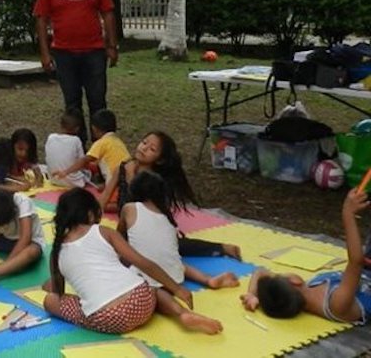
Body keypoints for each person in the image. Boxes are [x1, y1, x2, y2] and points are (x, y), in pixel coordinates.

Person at [43, 189, 223, 335]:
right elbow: (144, 263)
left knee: (50, 300)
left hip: (108, 317)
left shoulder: (57, 250)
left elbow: (59, 293)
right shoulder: (104, 232)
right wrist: (177, 289)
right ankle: (182, 314)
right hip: (143, 301)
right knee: (147, 282)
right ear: (91, 213)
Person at [99, 131, 242, 260]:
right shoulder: (123, 167)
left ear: (159, 160)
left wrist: (130, 177)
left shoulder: (154, 180)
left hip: (147, 228)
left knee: (169, 247)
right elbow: (104, 198)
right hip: (125, 227)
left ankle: (222, 248)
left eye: (152, 149)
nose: (144, 148)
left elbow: (138, 209)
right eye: (144, 142)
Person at [241, 189, 371, 324]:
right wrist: (348, 213)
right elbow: (356, 261)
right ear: (294, 280)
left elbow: (260, 272)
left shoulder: (306, 292)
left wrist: (251, 294)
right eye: (281, 275)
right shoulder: (336, 305)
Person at [34, 0, 119, 146]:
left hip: (94, 53)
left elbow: (108, 14)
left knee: (98, 101)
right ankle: (77, 148)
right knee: (72, 104)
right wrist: (45, 54)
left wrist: (112, 45)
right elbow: (41, 19)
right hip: (64, 55)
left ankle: (102, 147)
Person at [119, 171, 239, 291]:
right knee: (177, 263)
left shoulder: (130, 209)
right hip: (175, 279)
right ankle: (207, 279)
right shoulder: (166, 218)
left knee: (123, 254)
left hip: (144, 280)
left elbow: (118, 237)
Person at [0, 189, 45, 289]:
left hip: (29, 242)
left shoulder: (22, 202)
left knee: (32, 252)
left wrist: (6, 264)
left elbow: (25, 238)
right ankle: (6, 266)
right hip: (3, 239)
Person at [52, 109, 129, 186]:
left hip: (117, 182)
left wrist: (65, 172)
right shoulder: (118, 141)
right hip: (129, 178)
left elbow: (84, 161)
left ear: (95, 129)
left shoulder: (101, 143)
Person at [46, 109, 90, 188]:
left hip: (54, 179)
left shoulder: (51, 137)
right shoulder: (76, 141)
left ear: (61, 125)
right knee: (88, 172)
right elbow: (82, 162)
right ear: (77, 128)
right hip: (74, 182)